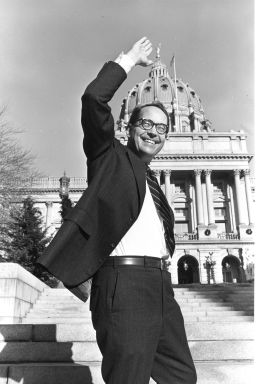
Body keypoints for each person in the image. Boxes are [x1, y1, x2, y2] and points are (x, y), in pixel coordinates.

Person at [38, 37, 197, 384]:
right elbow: (93, 99)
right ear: (129, 127)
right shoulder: (108, 158)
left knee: (182, 377)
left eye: (161, 129)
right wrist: (128, 60)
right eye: (146, 124)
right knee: (128, 379)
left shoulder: (152, 180)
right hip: (123, 283)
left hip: (160, 284)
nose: (153, 133)